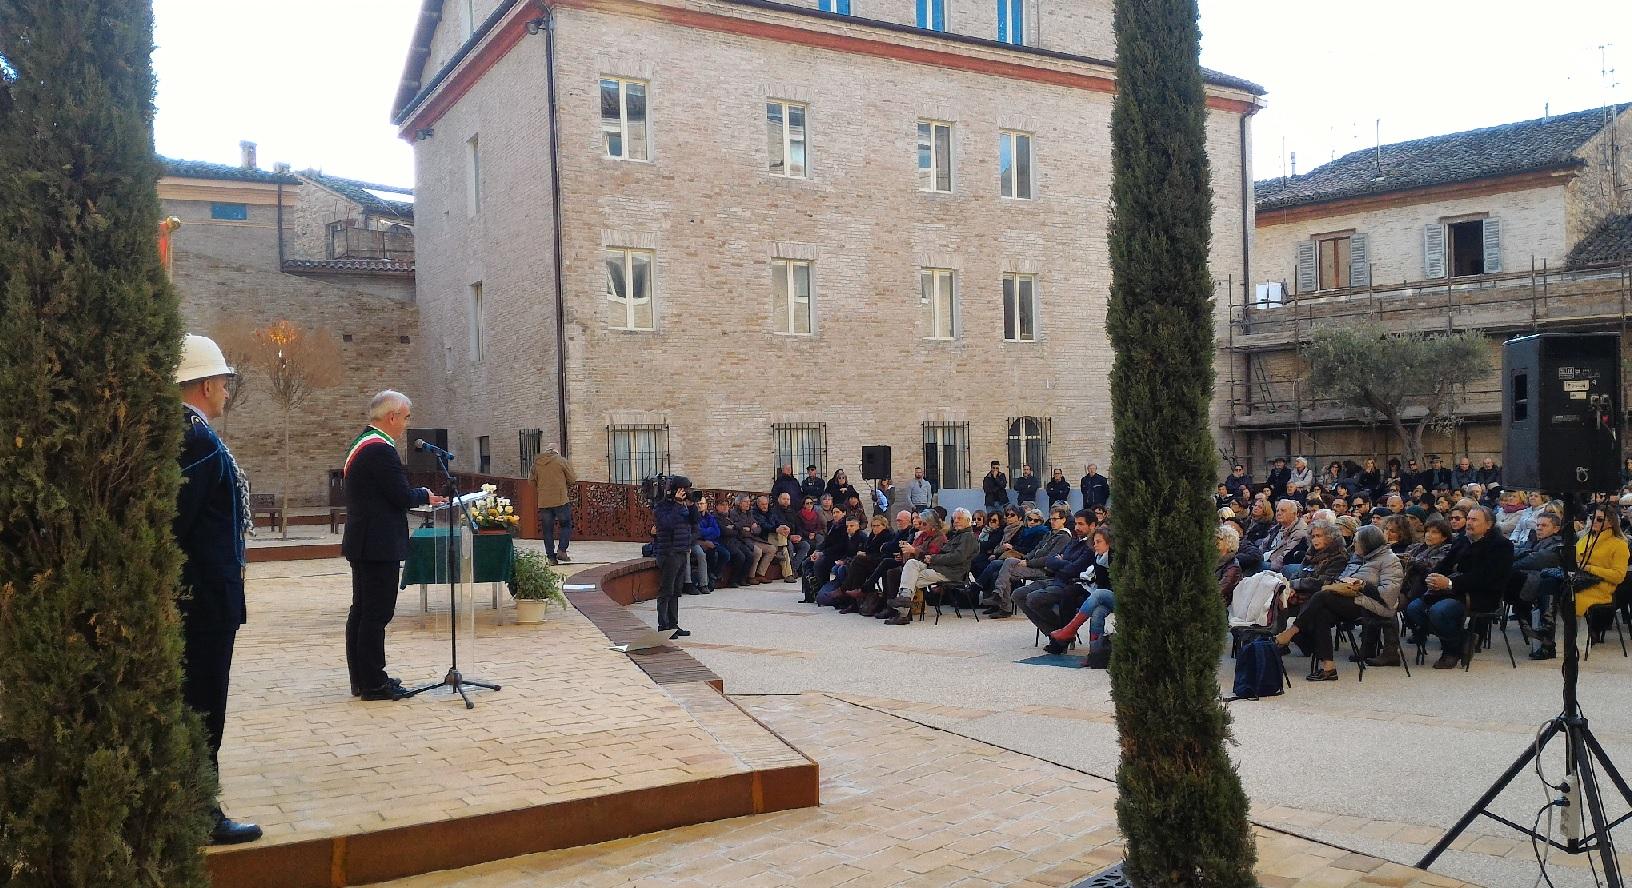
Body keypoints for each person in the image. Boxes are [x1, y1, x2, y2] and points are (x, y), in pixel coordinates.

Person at [172, 335, 262, 845]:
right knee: (204, 704)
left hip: (203, 594)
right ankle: (198, 812)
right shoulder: (198, 440)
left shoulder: (192, 434)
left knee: (200, 702)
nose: (227, 390)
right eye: (224, 382)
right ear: (207, 384)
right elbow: (178, 524)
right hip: (202, 599)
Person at [342, 391, 445, 701]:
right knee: (375, 613)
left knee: (362, 611)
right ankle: (374, 683)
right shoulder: (380, 450)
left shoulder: (363, 443)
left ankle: (364, 677)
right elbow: (399, 496)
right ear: (391, 417)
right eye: (406, 417)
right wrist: (425, 495)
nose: (406, 423)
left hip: (365, 540)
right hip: (377, 544)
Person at [1276, 525, 1401, 680]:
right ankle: (1329, 668)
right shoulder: (1356, 558)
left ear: (1369, 543)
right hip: (1351, 599)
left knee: (1322, 595)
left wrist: (1363, 585)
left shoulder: (1390, 561)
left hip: (1373, 605)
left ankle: (1292, 632)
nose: (1354, 545)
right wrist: (1341, 584)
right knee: (1322, 613)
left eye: (1357, 542)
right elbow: (1340, 579)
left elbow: (1389, 595)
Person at [1409, 505, 1513, 669]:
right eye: (1469, 519)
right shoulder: (1463, 539)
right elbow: (1446, 564)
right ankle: (1462, 639)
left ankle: (1451, 651)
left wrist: (1450, 583)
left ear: (1488, 524)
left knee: (1439, 612)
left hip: (1481, 594)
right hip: (1451, 590)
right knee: (1414, 609)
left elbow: (1485, 578)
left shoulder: (1501, 546)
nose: (1469, 523)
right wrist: (1433, 577)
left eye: (1474, 520)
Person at [1049, 528, 1115, 650]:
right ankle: (1095, 652)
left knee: (1098, 593)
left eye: (1099, 542)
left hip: (1118, 595)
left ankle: (1070, 629)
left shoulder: (1115, 558)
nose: (1095, 545)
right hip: (1106, 596)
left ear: (1109, 542)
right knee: (1097, 613)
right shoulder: (1099, 558)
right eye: (1094, 542)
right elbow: (1100, 583)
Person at [1574, 503, 1629, 642]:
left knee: (1571, 598)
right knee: (1553, 588)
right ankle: (1549, 634)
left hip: (1601, 587)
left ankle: (1583, 635)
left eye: (1599, 519)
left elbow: (1618, 576)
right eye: (1592, 517)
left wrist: (1589, 568)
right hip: (1580, 581)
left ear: (1610, 523)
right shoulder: (1585, 538)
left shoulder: (1619, 544)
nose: (1594, 521)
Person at [653, 476, 699, 638]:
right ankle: (663, 626)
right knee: (666, 590)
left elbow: (695, 522)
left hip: (681, 551)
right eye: (684, 489)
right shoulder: (662, 507)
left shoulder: (684, 506)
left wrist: (692, 505)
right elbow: (667, 524)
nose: (686, 493)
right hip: (668, 552)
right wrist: (678, 505)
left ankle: (673, 625)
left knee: (676, 591)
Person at [529, 443, 576, 564]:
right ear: (556, 451)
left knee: (547, 530)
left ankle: (551, 557)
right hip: (560, 499)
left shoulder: (537, 463)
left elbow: (531, 482)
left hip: (544, 501)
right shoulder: (561, 461)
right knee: (566, 525)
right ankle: (562, 550)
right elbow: (572, 479)